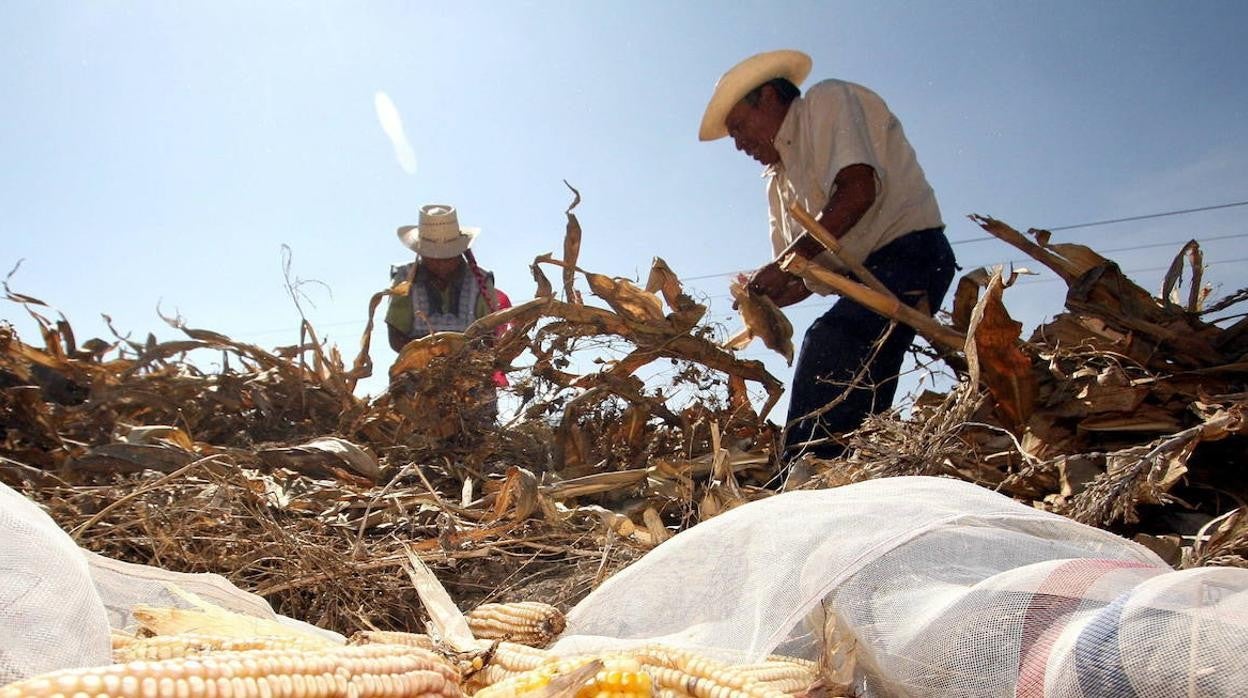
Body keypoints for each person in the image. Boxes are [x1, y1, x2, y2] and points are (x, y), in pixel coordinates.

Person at [698, 50, 957, 463]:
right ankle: (850, 466)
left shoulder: (825, 103)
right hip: (859, 280)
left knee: (832, 342)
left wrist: (785, 266)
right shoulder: (777, 184)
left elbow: (857, 191)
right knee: (846, 359)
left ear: (767, 97)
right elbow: (808, 274)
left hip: (911, 250)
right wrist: (771, 295)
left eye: (740, 127)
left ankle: (810, 475)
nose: (739, 144)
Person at [385, 203, 511, 386]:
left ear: (460, 252)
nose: (440, 263)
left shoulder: (481, 281)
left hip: (470, 381)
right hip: (417, 380)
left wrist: (462, 359)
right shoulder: (405, 280)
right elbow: (395, 335)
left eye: (447, 257)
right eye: (433, 257)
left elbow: (491, 336)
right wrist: (429, 356)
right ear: (421, 253)